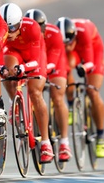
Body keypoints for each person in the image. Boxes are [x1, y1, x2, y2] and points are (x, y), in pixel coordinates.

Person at [0, 3, 54, 163]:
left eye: (14, 27)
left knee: (35, 92)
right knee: (7, 74)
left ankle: (45, 142)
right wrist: (2, 69)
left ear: (21, 23)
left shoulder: (32, 28)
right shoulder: (0, 32)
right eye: (6, 29)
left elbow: (36, 61)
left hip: (33, 56)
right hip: (13, 52)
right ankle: (13, 102)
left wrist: (23, 67)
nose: (9, 33)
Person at [55, 17, 104, 158]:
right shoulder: (60, 37)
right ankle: (71, 104)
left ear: (74, 37)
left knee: (92, 90)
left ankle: (101, 137)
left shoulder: (83, 33)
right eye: (63, 44)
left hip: (93, 48)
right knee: (65, 69)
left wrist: (84, 68)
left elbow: (90, 63)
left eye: (68, 44)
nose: (66, 47)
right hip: (77, 48)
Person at [24, 9, 72, 162]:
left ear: (44, 27)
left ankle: (64, 142)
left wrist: (46, 68)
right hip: (37, 62)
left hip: (54, 63)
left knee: (57, 97)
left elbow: (56, 55)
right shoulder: (24, 33)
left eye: (39, 28)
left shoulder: (54, 33)